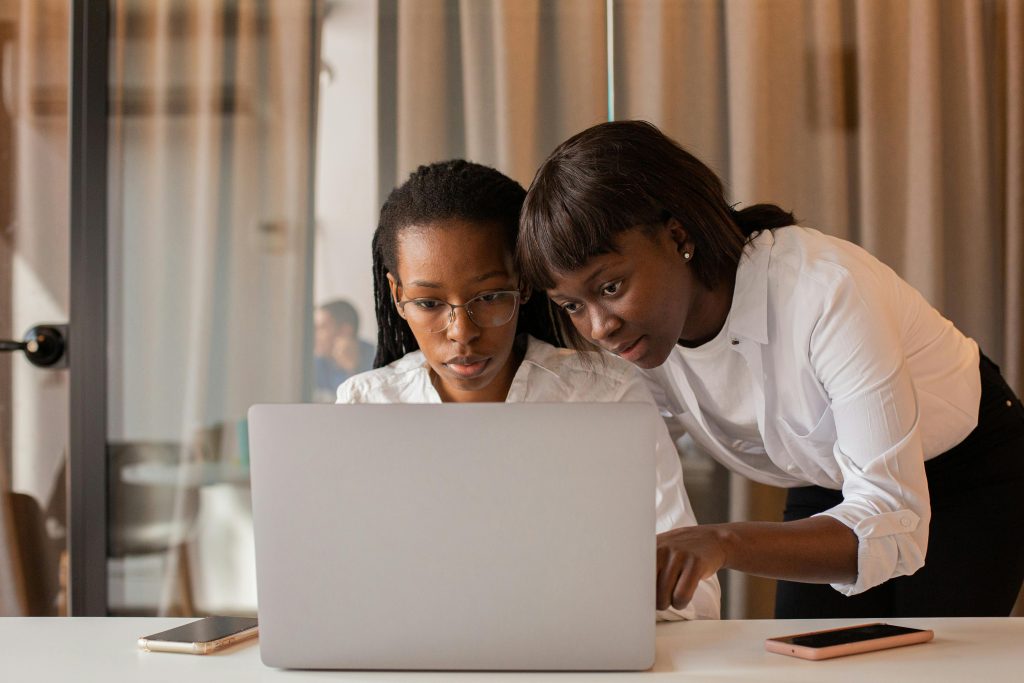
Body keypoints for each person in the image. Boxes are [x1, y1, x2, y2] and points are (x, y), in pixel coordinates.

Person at [516, 120, 1024, 618]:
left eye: (610, 287)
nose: (599, 326)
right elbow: (613, 466)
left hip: (968, 467)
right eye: (571, 305)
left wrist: (721, 541)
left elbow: (894, 522)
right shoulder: (634, 340)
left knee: (935, 671)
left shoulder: (825, 291)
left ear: (677, 235)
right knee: (804, 666)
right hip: (828, 479)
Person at [336, 159, 720, 620]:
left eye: (490, 296)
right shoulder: (363, 406)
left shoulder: (606, 396)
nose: (461, 332)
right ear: (396, 295)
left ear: (523, 284)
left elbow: (694, 601)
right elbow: (343, 590)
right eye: (429, 303)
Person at [313, 299, 375, 402]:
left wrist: (352, 369)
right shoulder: (317, 363)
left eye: (322, 328)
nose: (314, 334)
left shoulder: (377, 359)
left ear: (345, 331)